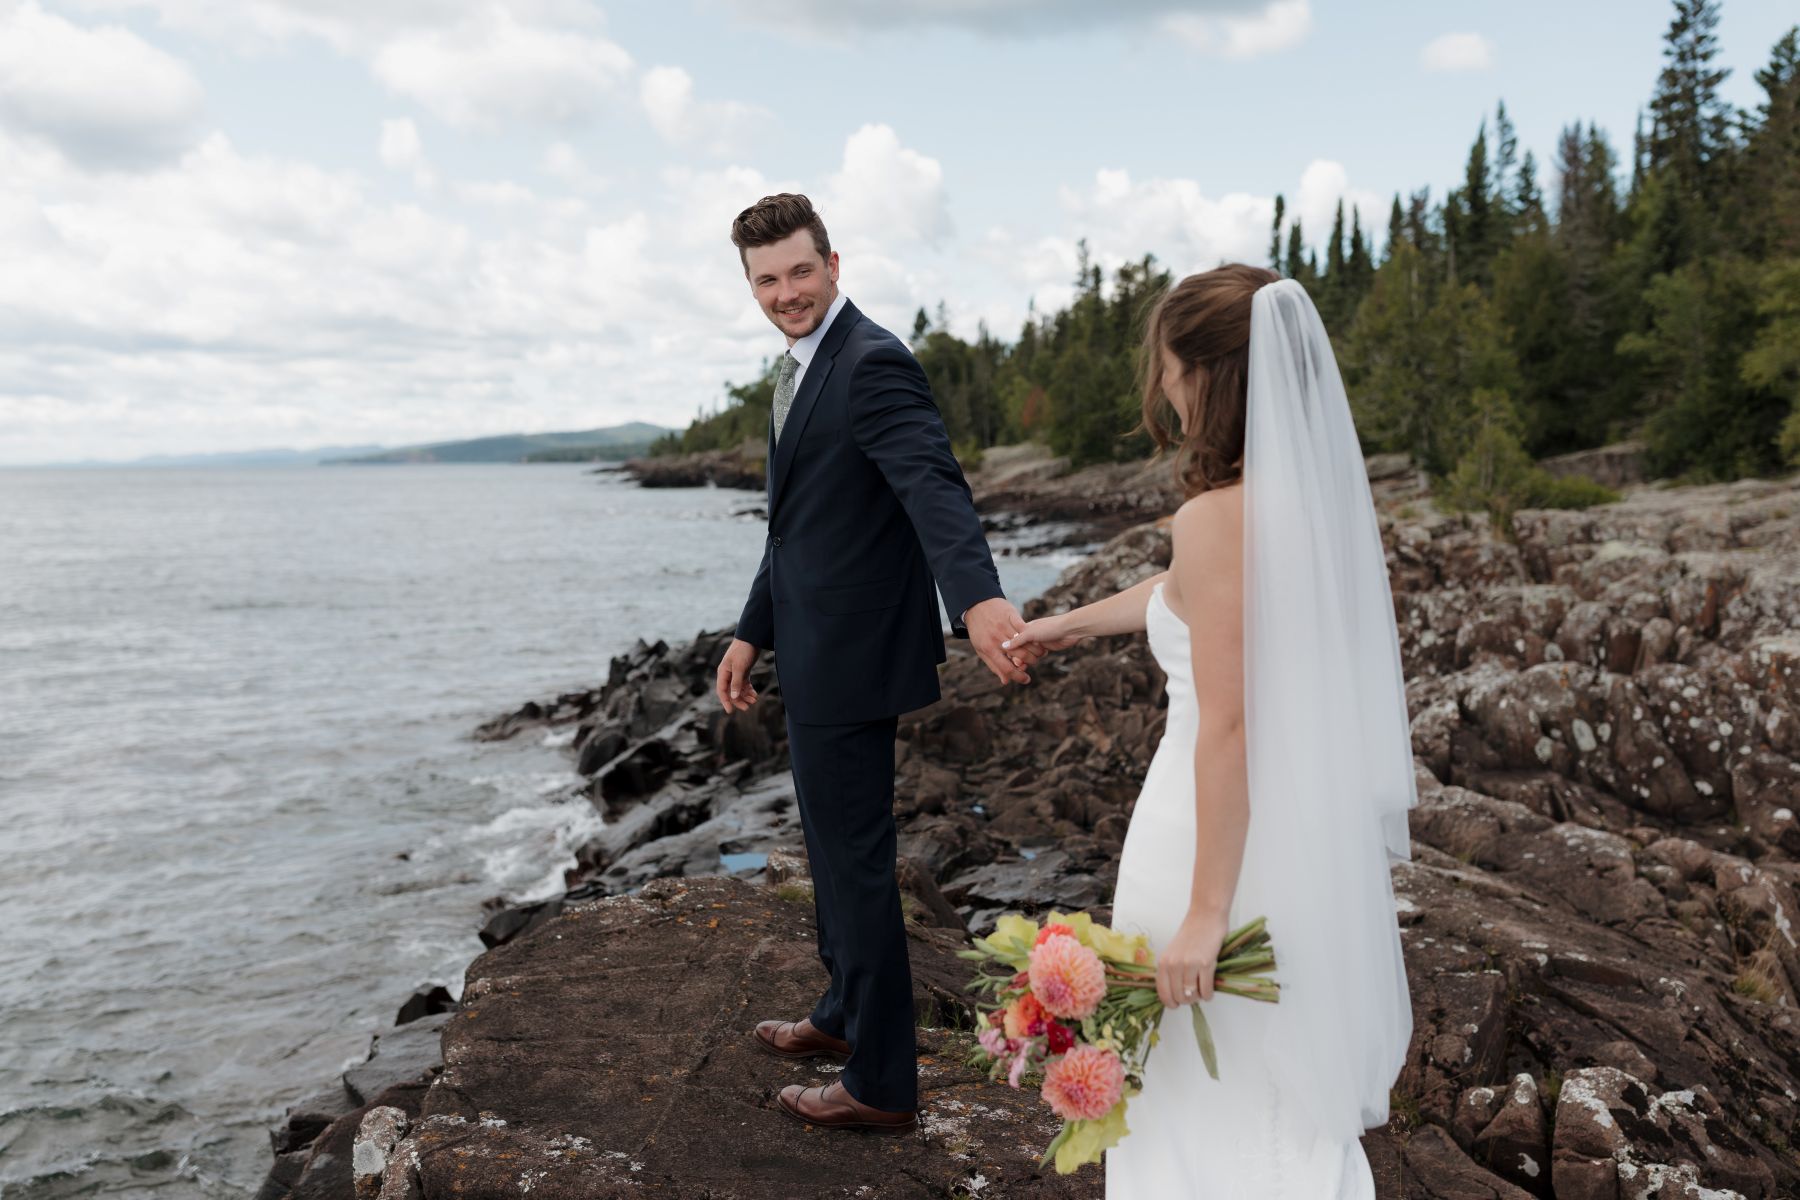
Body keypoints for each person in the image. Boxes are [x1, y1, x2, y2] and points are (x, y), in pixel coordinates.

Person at [1003, 264, 1415, 1196]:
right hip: (1289, 835)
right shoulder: (1299, 507)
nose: (1162, 387)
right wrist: (1063, 625)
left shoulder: (1212, 519)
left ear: (1209, 376)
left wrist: (1204, 914)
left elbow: (1228, 723)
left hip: (1207, 838)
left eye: (1170, 366)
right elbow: (1187, 600)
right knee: (1263, 1086)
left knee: (1202, 1089)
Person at [713, 193, 1045, 1135]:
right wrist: (751, 632)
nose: (787, 292)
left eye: (800, 272)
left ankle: (883, 1083)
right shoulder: (795, 370)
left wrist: (977, 599)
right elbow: (796, 529)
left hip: (855, 657)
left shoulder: (872, 362)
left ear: (834, 263)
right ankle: (842, 1012)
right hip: (811, 647)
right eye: (767, 279)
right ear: (750, 284)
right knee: (827, 846)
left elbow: (933, 484)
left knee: (855, 863)